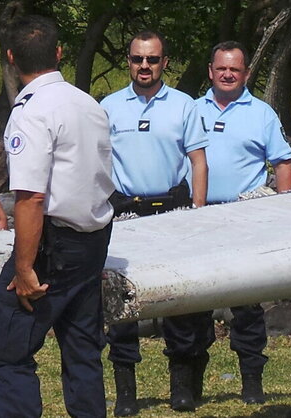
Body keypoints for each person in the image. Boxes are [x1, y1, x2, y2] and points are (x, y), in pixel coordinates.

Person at [0, 15, 114, 417]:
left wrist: (23, 267)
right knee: (81, 348)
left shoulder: (31, 112)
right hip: (92, 240)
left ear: (10, 57)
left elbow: (31, 198)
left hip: (53, 246)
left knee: (6, 349)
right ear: (59, 53)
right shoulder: (88, 104)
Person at [100, 30, 210, 415]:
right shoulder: (109, 106)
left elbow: (198, 161)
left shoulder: (184, 106)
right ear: (128, 61)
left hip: (174, 211)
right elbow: (97, 164)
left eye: (152, 59)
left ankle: (180, 387)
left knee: (177, 301)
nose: (144, 66)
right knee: (122, 304)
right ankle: (127, 392)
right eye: (136, 59)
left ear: (165, 62)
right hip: (125, 212)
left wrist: (198, 209)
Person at [194, 40, 291, 405]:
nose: (227, 74)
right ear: (210, 70)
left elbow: (282, 163)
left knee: (248, 309)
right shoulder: (191, 109)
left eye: (235, 69)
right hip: (199, 217)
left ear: (246, 73)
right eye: (221, 68)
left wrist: (284, 214)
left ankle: (251, 381)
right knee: (194, 303)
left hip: (245, 217)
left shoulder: (263, 114)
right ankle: (191, 383)